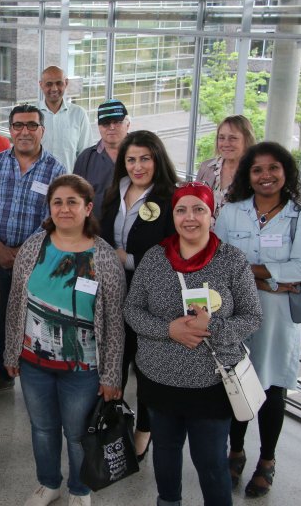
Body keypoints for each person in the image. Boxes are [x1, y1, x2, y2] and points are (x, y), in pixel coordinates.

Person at [124, 182, 262, 506]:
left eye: (198, 209)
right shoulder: (155, 259)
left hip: (212, 383)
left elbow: (252, 316)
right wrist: (168, 329)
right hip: (160, 379)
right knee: (166, 455)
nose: (190, 218)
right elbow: (132, 309)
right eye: (181, 210)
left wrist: (210, 327)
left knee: (211, 462)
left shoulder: (232, 261)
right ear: (172, 215)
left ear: (211, 215)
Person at [4, 174, 125, 506]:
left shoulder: (103, 257)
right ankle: (48, 483)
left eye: (73, 202)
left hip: (83, 368)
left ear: (88, 208)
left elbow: (114, 322)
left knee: (76, 434)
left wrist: (111, 375)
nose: (64, 208)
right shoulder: (35, 245)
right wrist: (11, 353)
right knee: (42, 429)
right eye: (57, 202)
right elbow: (16, 302)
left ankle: (79, 488)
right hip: (34, 363)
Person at [215, 142, 301, 498]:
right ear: (248, 175)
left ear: (285, 172)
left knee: (272, 390)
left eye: (273, 168)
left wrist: (247, 272)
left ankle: (267, 461)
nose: (266, 176)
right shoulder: (231, 212)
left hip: (278, 320)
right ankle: (236, 451)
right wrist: (268, 278)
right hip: (235, 314)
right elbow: (219, 262)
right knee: (235, 385)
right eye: (257, 169)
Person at [0, 104, 67, 398]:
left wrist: (24, 253)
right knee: (1, 318)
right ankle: (3, 373)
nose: (24, 131)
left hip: (37, 262)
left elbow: (55, 218)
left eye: (31, 125)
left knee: (35, 320)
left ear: (42, 130)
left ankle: (35, 376)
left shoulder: (56, 170)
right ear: (10, 130)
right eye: (18, 125)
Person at [100, 130, 179, 459]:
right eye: (131, 159)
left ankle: (144, 428)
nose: (138, 166)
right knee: (113, 359)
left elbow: (173, 251)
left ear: (157, 159)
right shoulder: (114, 192)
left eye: (145, 158)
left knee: (145, 364)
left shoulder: (169, 199)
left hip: (150, 297)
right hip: (112, 292)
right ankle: (113, 421)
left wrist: (127, 259)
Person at [73, 99, 131, 218]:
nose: (112, 127)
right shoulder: (85, 158)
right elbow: (76, 197)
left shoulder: (142, 155)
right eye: (105, 123)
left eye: (117, 122)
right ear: (99, 127)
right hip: (95, 231)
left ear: (128, 124)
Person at [195, 115, 256, 223]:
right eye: (221, 138)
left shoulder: (255, 173)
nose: (226, 143)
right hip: (204, 238)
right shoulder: (206, 168)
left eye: (233, 138)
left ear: (247, 140)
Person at [37, 66, 92, 172]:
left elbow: (85, 155)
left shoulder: (79, 114)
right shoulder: (31, 113)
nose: (54, 88)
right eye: (49, 84)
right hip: (36, 182)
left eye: (59, 83)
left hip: (68, 183)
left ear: (66, 83)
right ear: (41, 85)